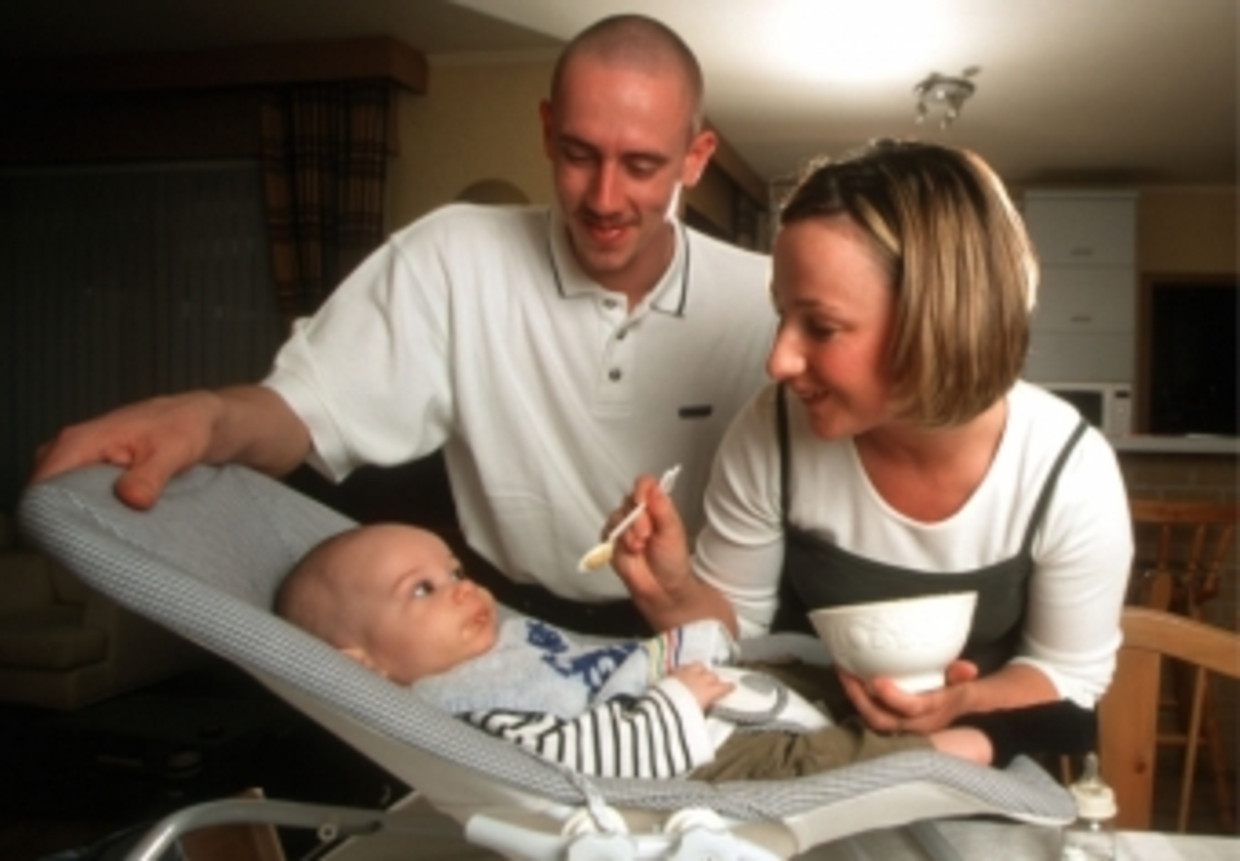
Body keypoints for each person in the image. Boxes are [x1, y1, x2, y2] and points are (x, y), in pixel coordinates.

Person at [28, 14, 774, 637]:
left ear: (695, 158)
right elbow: (303, 412)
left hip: (696, 629)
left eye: (641, 166)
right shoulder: (450, 256)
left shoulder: (764, 301)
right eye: (580, 155)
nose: (604, 198)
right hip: (505, 624)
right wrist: (204, 416)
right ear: (548, 131)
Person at [607, 139, 1132, 767]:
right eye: (782, 316)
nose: (779, 360)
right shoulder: (772, 430)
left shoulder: (1068, 472)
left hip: (977, 768)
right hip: (798, 761)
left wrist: (961, 703)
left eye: (821, 327)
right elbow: (736, 638)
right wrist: (670, 591)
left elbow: (1070, 677)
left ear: (937, 323)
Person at [274, 522, 999, 780]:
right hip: (680, 752)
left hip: (676, 691)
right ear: (363, 664)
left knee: (797, 668)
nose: (464, 589)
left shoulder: (497, 643)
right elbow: (578, 756)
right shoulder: (462, 709)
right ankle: (917, 758)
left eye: (456, 570)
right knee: (792, 762)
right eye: (423, 590)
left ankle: (901, 700)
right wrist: (675, 699)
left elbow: (598, 657)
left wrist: (684, 651)